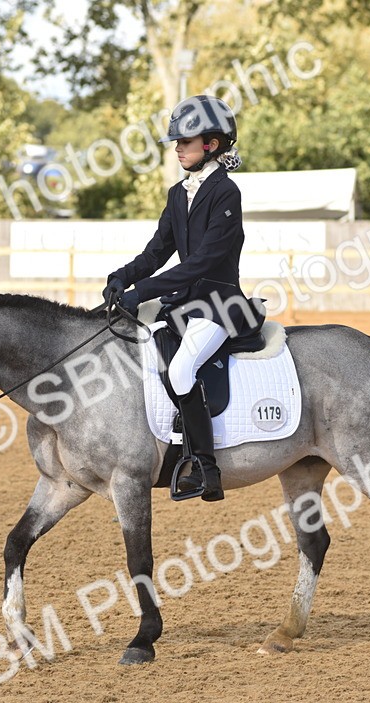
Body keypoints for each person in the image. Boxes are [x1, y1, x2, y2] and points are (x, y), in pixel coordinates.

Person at [102, 95, 257, 503]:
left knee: (183, 369)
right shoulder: (178, 193)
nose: (176, 148)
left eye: (184, 141)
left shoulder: (226, 193)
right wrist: (123, 277)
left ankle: (206, 468)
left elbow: (205, 260)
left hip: (220, 304)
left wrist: (145, 292)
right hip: (185, 304)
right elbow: (158, 250)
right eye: (176, 142)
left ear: (212, 143)